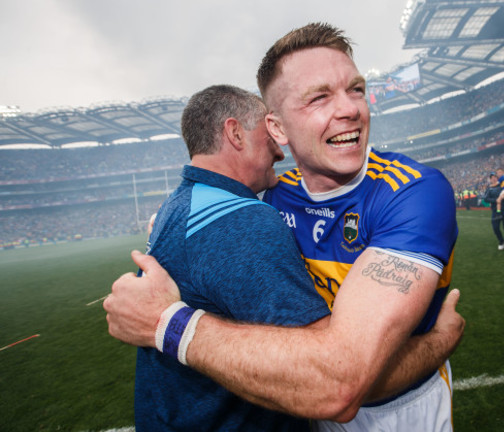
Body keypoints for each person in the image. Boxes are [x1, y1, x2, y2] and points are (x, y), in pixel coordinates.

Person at [104, 22, 463, 431]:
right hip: (304, 406)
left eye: (356, 89)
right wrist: (437, 342)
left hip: (398, 413)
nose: (350, 109)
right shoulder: (274, 197)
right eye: (319, 98)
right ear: (276, 128)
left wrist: (436, 346)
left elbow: (343, 383)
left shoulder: (412, 192)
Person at [132, 84, 332, 431]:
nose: (280, 151)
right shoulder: (242, 219)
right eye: (269, 133)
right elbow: (324, 375)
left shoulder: (176, 205)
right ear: (235, 133)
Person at [484, 173, 504, 252]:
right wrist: (496, 200)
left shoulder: (503, 186)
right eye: (492, 177)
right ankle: (501, 241)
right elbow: (485, 199)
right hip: (495, 211)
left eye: (495, 177)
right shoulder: (489, 189)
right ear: (490, 179)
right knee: (495, 228)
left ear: (497, 178)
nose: (493, 178)